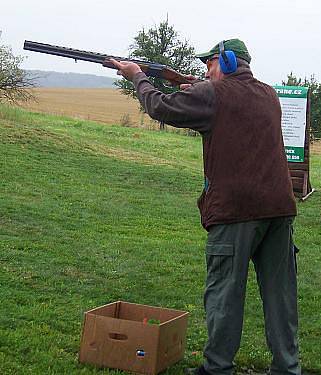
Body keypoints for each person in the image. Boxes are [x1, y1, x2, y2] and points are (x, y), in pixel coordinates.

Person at [110, 39, 300, 375]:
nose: (204, 70)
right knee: (280, 297)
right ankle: (287, 367)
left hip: (235, 211)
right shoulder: (268, 94)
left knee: (225, 294)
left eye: (209, 64)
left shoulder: (212, 94)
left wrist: (137, 75)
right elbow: (230, 102)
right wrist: (194, 85)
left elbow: (159, 107)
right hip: (279, 209)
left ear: (225, 62)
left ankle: (217, 369)